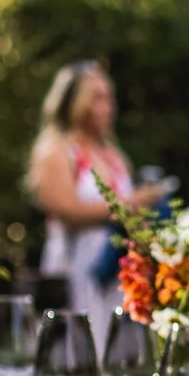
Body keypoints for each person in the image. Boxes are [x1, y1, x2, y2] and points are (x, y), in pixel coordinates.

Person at [28, 60, 163, 331]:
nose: (108, 106)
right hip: (75, 265)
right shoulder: (57, 150)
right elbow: (64, 210)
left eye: (109, 97)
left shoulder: (114, 155)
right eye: (98, 97)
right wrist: (129, 204)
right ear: (75, 103)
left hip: (116, 265)